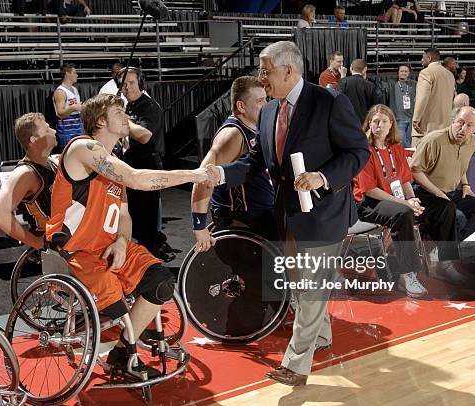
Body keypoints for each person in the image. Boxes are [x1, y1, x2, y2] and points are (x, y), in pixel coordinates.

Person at [209, 41, 370, 386]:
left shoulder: (329, 102)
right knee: (301, 283)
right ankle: (322, 337)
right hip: (286, 214)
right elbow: (253, 164)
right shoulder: (268, 112)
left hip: (324, 212)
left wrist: (322, 177)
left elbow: (358, 152)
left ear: (288, 70)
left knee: (311, 288)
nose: (260, 77)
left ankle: (296, 365)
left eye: (265, 71)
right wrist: (220, 174)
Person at [46, 93, 213, 375]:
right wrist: (194, 174)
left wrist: (123, 240)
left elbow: (124, 215)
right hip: (78, 251)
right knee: (116, 303)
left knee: (160, 281)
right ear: (100, 120)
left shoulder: (112, 162)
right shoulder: (82, 148)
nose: (128, 118)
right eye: (119, 113)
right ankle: (127, 342)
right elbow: (137, 179)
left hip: (109, 246)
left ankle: (123, 351)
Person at [353, 105, 458, 297]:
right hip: (369, 203)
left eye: (384, 121)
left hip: (398, 199)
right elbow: (370, 190)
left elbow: (404, 180)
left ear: (391, 124)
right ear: (369, 123)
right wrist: (405, 204)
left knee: (445, 207)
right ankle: (407, 274)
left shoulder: (396, 148)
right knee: (403, 214)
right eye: (375, 121)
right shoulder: (363, 150)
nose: (379, 125)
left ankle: (445, 260)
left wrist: (413, 199)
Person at [191, 75, 276, 251]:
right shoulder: (232, 134)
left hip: (262, 214)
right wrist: (199, 226)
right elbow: (203, 178)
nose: (266, 105)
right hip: (242, 220)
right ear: (241, 106)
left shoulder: (255, 128)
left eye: (266, 99)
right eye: (260, 101)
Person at [411, 106, 475, 261]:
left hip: (451, 191)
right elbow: (414, 171)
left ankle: (446, 245)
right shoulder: (433, 140)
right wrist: (437, 193)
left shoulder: (472, 141)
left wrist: (466, 186)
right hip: (424, 192)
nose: (463, 128)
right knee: (451, 212)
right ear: (452, 121)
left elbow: (461, 165)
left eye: (469, 125)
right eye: (460, 122)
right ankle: (446, 260)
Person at [0, 113, 58, 249]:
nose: (54, 131)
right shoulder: (25, 172)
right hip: (51, 246)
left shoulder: (50, 162)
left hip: (65, 238)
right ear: (34, 139)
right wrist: (35, 242)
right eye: (47, 129)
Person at [119, 67, 164, 255]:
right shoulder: (129, 106)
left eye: (131, 83)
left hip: (147, 168)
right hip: (132, 168)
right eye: (124, 84)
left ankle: (150, 264)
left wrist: (124, 121)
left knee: (146, 223)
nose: (127, 88)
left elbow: (144, 136)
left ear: (141, 84)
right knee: (134, 220)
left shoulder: (149, 106)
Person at [412, 48, 456, 145]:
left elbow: (422, 98)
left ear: (429, 58)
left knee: (420, 157)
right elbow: (452, 100)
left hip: (427, 128)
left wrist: (416, 119)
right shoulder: (450, 75)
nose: (421, 61)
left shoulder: (426, 72)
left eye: (423, 58)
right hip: (445, 127)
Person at [338, 58, 382, 123]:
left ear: (351, 68)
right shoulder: (370, 85)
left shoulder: (344, 82)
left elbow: (339, 102)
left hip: (346, 121)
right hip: (364, 122)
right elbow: (375, 106)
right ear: (365, 69)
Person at [53, 62, 85, 149]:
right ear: (67, 74)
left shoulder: (74, 89)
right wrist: (73, 107)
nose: (77, 75)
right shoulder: (60, 91)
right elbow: (60, 113)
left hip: (78, 127)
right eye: (75, 73)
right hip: (67, 131)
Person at [385, 64, 416, 148]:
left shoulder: (414, 84)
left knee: (410, 139)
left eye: (406, 71)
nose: (404, 73)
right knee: (401, 140)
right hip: (399, 118)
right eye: (402, 71)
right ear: (398, 73)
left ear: (409, 73)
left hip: (411, 117)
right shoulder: (392, 84)